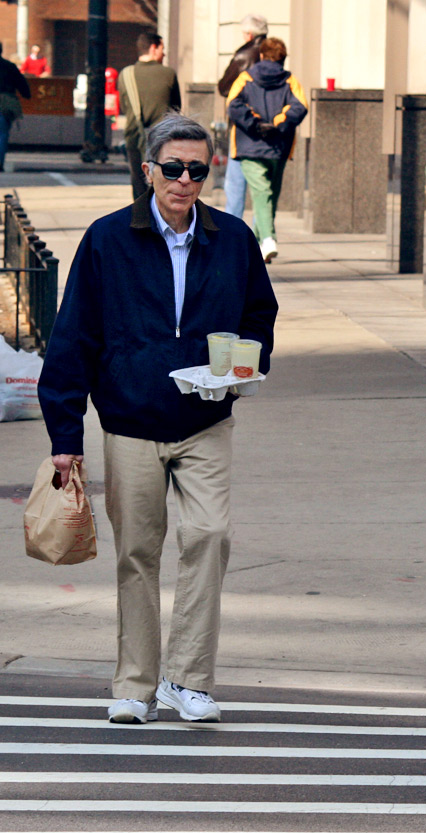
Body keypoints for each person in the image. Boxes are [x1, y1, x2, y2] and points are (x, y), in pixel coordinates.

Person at [37, 114, 278, 725]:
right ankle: (136, 685)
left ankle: (188, 679)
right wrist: (66, 436)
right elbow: (71, 339)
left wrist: (246, 365)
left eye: (198, 170)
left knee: (209, 537)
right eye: (173, 168)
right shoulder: (108, 239)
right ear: (148, 171)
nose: (185, 180)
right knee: (138, 554)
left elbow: (259, 314)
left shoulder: (233, 238)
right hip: (130, 423)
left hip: (206, 420)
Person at [227, 37, 307, 262]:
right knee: (269, 194)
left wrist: (255, 123)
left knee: (264, 194)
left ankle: (264, 241)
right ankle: (264, 243)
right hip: (279, 147)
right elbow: (301, 106)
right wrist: (279, 122)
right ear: (283, 57)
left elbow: (233, 104)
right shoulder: (290, 80)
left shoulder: (246, 77)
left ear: (262, 55)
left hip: (249, 145)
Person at [118, 32, 181, 200]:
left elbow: (124, 107)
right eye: (162, 48)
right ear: (154, 48)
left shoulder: (125, 75)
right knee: (162, 189)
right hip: (163, 142)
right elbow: (177, 109)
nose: (164, 53)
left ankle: (141, 222)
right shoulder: (168, 74)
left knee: (139, 189)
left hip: (135, 138)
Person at [217, 13, 268, 220]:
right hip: (267, 125)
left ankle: (232, 232)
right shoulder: (273, 54)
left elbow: (223, 86)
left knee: (235, 184)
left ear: (249, 34)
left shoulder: (243, 55)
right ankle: (260, 236)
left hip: (242, 126)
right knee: (261, 187)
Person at [0, 43, 30, 173]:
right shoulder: (9, 66)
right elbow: (21, 83)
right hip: (5, 102)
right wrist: (26, 94)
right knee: (2, 134)